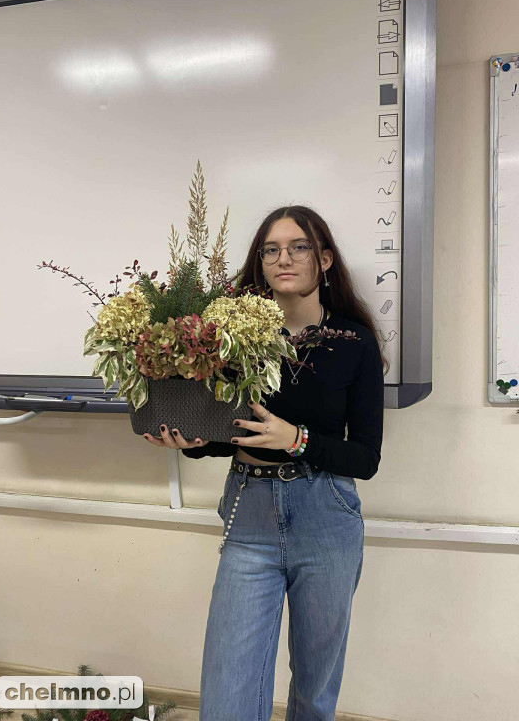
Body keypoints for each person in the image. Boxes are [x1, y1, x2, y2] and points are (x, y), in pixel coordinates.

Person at [142, 205, 387, 721]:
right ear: (260, 264)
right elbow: (225, 435)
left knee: (316, 683)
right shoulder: (231, 340)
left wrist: (295, 439)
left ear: (323, 260)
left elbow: (365, 458)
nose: (284, 258)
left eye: (298, 247)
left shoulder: (354, 343)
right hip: (249, 508)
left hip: (326, 512)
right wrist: (187, 441)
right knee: (228, 686)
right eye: (271, 249)